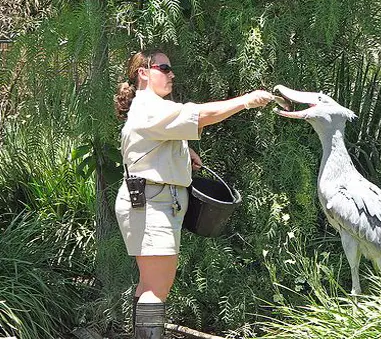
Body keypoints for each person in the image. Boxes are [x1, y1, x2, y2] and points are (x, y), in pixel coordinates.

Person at [113, 49, 273, 339]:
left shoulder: (151, 107)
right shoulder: (151, 106)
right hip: (150, 203)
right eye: (164, 68)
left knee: (149, 284)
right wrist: (246, 101)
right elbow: (203, 114)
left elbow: (154, 142)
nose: (171, 74)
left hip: (151, 201)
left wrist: (184, 152)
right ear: (144, 73)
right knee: (155, 289)